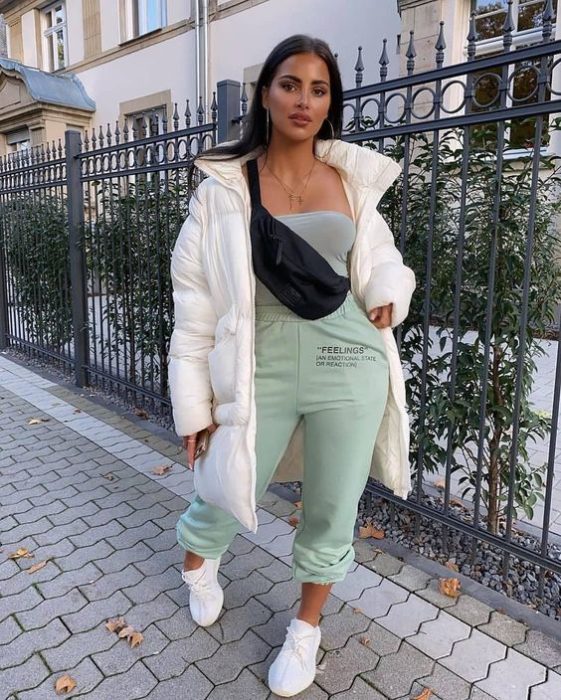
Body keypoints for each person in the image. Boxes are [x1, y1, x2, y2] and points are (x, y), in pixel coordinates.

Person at [168, 33, 415, 698]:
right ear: (265, 93)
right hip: (260, 359)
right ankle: (197, 564)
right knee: (222, 486)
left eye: (318, 88)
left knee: (332, 508)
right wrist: (194, 406)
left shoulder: (351, 180)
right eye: (289, 84)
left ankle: (305, 629)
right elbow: (193, 306)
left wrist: (388, 286)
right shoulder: (223, 188)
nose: (303, 100)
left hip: (348, 359)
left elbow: (378, 257)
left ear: (330, 101)